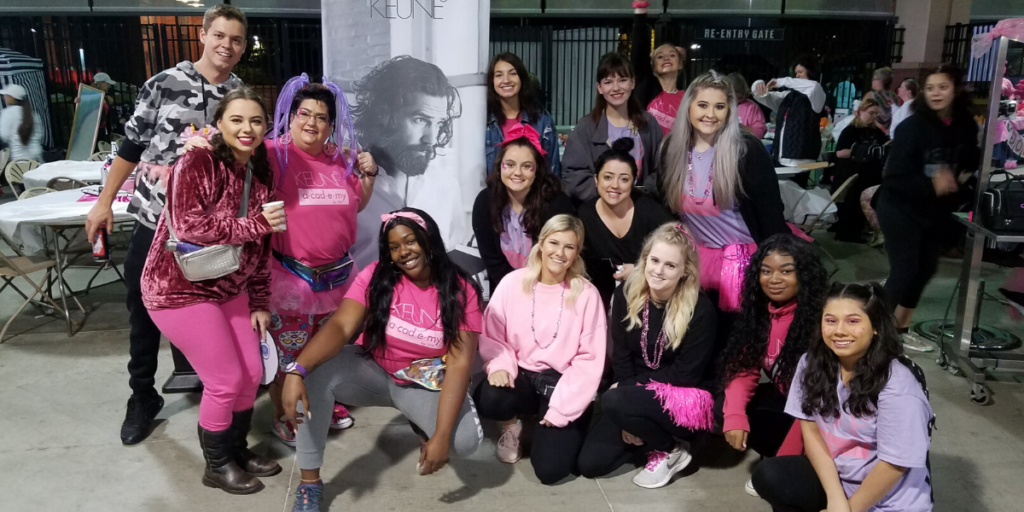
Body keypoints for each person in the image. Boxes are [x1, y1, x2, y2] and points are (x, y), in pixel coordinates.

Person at [84, 4, 248, 446]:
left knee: (211, 303)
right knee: (142, 307)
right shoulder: (165, 83)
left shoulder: (238, 94)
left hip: (209, 229)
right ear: (203, 35)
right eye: (219, 35)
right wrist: (103, 203)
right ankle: (142, 395)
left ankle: (214, 380)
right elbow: (132, 145)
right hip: (156, 221)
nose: (226, 46)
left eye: (235, 40)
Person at [282, 208, 484, 512]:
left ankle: (424, 426)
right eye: (394, 246)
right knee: (315, 373)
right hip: (373, 371)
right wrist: (297, 369)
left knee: (463, 442)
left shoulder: (461, 289)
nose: (404, 252)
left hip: (422, 383)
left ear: (428, 239)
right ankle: (309, 483)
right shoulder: (377, 276)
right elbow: (340, 326)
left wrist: (440, 436)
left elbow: (458, 363)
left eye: (411, 241)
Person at [141, 87, 284, 495]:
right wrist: (256, 223)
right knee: (224, 379)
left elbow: (262, 245)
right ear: (218, 124)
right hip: (177, 289)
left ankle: (235, 449)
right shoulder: (197, 160)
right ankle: (216, 465)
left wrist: (259, 301)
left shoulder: (259, 170)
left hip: (229, 287)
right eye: (236, 119)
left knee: (252, 373)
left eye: (256, 121)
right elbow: (188, 226)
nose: (247, 128)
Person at [247, 76, 379, 446]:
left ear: (331, 125)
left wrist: (368, 175)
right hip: (289, 277)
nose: (311, 122)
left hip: (337, 278)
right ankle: (283, 412)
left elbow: (354, 207)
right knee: (286, 352)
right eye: (304, 113)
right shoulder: (271, 154)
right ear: (290, 118)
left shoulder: (343, 159)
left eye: (321, 117)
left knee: (327, 349)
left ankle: (322, 399)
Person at [751, 282, 934, 512]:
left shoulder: (898, 385)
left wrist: (850, 509)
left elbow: (895, 464)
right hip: (840, 481)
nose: (839, 330)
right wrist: (836, 499)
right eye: (830, 320)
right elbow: (811, 429)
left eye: (853, 321)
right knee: (771, 476)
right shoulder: (811, 364)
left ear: (876, 326)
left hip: (890, 499)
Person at [577, 223, 717, 489]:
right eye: (654, 260)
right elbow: (620, 356)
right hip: (632, 392)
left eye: (670, 265)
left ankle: (670, 448)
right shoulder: (625, 294)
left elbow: (685, 374)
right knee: (590, 465)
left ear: (684, 271)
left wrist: (629, 397)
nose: (659, 271)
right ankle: (647, 435)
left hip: (682, 395)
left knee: (615, 399)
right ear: (645, 259)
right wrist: (629, 409)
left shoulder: (700, 309)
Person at [475, 214, 607, 485]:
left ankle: (554, 417)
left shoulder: (586, 294)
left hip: (563, 385)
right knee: (490, 396)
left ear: (577, 253)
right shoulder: (513, 282)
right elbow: (492, 334)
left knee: (550, 471)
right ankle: (512, 425)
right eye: (554, 243)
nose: (559, 253)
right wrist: (499, 365)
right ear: (541, 243)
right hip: (521, 376)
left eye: (569, 247)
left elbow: (590, 360)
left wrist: (562, 409)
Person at [658, 71, 789, 313]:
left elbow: (771, 216)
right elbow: (667, 210)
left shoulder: (747, 151)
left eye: (719, 106)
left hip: (747, 260)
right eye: (702, 105)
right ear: (688, 107)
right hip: (698, 258)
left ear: (729, 111)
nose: (710, 114)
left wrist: (779, 265)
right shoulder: (671, 150)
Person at [876, 64, 980, 353]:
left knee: (925, 269)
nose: (936, 93)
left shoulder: (966, 124)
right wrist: (930, 183)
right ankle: (872, 331)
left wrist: (964, 175)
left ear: (955, 89)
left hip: (935, 211)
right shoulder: (913, 126)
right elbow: (893, 177)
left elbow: (972, 157)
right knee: (905, 269)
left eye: (943, 87)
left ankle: (900, 330)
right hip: (899, 206)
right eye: (930, 87)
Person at [717, 233, 829, 497]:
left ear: (805, 275)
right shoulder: (759, 312)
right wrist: (735, 416)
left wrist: (785, 463)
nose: (774, 279)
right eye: (766, 271)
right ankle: (778, 458)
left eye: (786, 271)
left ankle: (794, 464)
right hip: (788, 399)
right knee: (727, 404)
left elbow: (815, 407)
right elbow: (744, 366)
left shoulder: (822, 321)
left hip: (823, 414)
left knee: (781, 484)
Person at [350, 56, 467, 267]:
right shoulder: (347, 184)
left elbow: (454, 260)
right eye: (420, 120)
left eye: (438, 124)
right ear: (384, 114)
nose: (430, 138)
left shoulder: (446, 186)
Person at [473, 123, 574, 296]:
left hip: (551, 288)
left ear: (537, 171)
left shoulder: (557, 204)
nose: (517, 172)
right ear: (499, 167)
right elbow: (492, 260)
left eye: (527, 166)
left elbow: (563, 255)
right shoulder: (485, 202)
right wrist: (518, 292)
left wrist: (540, 289)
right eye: (510, 165)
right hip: (505, 290)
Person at [577, 138, 674, 306]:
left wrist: (642, 272)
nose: (615, 185)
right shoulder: (583, 216)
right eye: (607, 177)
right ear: (596, 180)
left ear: (634, 182)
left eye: (624, 179)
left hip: (651, 298)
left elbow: (680, 255)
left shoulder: (651, 212)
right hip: (599, 300)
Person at [562, 52, 662, 203]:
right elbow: (573, 175)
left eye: (622, 80)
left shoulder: (648, 123)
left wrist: (641, 194)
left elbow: (662, 168)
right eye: (608, 82)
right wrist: (608, 195)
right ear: (600, 88)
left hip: (640, 206)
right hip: (598, 209)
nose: (616, 88)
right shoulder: (586, 128)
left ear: (633, 83)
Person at [484, 52, 560, 177]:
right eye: (499, 75)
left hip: (537, 195)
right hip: (495, 195)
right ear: (492, 82)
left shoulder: (542, 121)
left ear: (522, 78)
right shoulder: (484, 122)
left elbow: (553, 170)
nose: (506, 80)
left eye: (513, 73)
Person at [830, 95, 889, 243]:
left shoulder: (876, 131)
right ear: (861, 111)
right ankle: (849, 232)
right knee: (854, 198)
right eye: (871, 113)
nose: (874, 117)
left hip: (869, 173)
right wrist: (863, 150)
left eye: (876, 114)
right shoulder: (850, 130)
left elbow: (884, 146)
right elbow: (840, 152)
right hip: (851, 172)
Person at [752, 55, 827, 167]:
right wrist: (758, 84)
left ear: (811, 71)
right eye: (795, 73)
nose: (797, 76)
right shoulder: (788, 96)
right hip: (780, 156)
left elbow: (812, 87)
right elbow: (761, 96)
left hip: (802, 158)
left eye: (800, 72)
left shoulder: (816, 92)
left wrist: (782, 81)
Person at [630, 1, 687, 136]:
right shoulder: (646, 86)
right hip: (647, 154)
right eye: (660, 57)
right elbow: (640, 52)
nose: (666, 58)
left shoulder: (688, 97)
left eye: (672, 55)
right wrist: (640, 12)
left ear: (680, 63)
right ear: (653, 67)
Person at [0, 83, 44, 165]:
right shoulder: (33, 114)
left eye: (5, 95)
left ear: (11, 97)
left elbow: (4, 135)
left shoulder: (7, 113)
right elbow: (40, 134)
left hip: (19, 163)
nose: (3, 97)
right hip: (37, 159)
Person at [726, 72, 768, 139]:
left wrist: (740, 128)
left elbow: (760, 131)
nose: (738, 98)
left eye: (740, 96)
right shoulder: (721, 104)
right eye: (734, 96)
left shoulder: (752, 107)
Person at [869, 67, 901, 134]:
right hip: (890, 130)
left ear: (880, 81)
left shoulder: (873, 95)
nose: (872, 81)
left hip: (874, 130)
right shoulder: (895, 96)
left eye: (873, 79)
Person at [92, 72, 118, 143]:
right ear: (101, 83)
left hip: (103, 128)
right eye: (107, 83)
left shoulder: (104, 96)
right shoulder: (93, 97)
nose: (109, 86)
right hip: (95, 130)